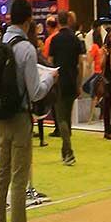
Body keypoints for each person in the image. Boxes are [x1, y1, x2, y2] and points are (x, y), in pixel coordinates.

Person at [0, 7, 45, 222]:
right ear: (29, 20)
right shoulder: (26, 49)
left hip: (1, 118)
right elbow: (35, 92)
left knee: (2, 175)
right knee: (20, 178)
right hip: (20, 118)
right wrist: (50, 79)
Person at [41, 9, 82, 165]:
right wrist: (79, 83)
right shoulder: (75, 39)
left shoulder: (55, 40)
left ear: (58, 22)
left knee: (61, 118)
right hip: (72, 81)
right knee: (67, 116)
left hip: (59, 82)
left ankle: (68, 151)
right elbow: (80, 64)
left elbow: (50, 63)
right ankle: (66, 151)